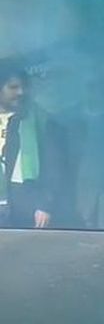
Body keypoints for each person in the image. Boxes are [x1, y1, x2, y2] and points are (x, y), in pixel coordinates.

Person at [0, 65, 64, 229]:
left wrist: (45, 205)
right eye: (13, 87)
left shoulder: (39, 120)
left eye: (23, 87)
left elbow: (54, 166)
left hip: (24, 200)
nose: (20, 92)